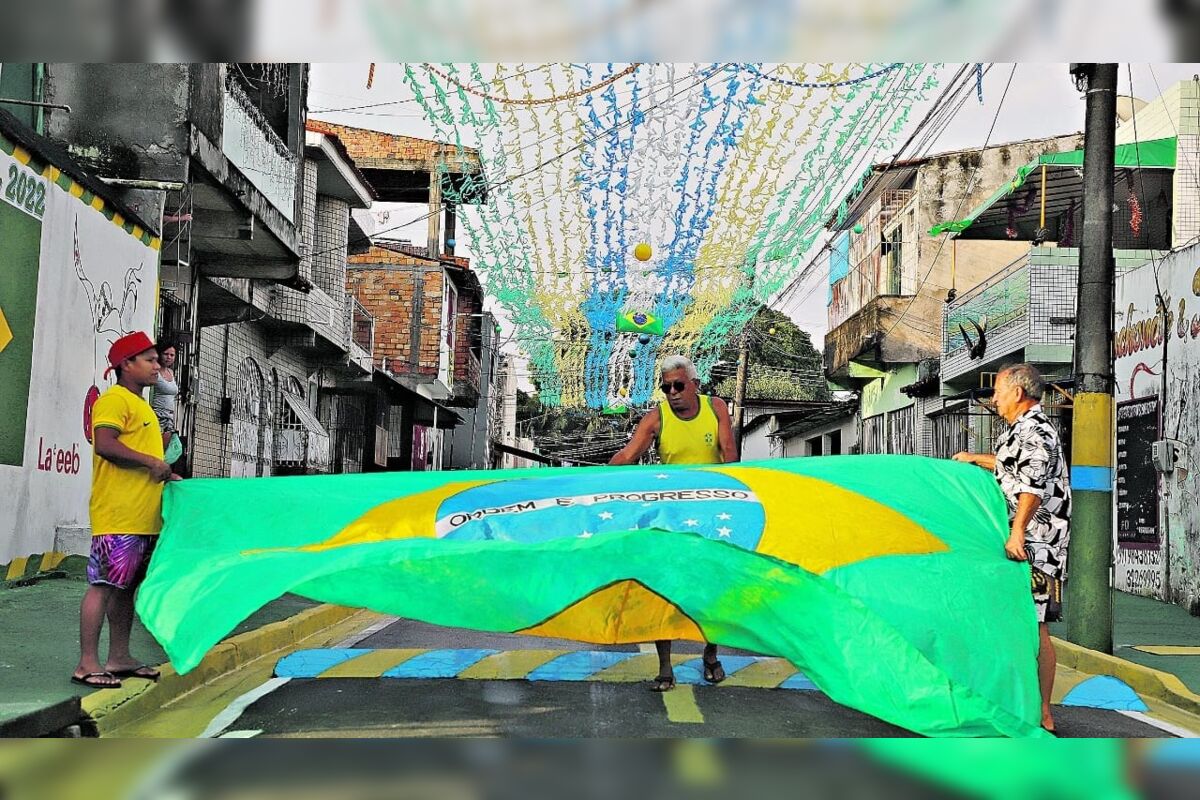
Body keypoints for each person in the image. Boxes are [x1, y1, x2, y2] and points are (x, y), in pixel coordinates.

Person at [953, 363, 1071, 734]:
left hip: (1036, 544)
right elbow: (1014, 470)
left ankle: (1043, 714)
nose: (994, 399)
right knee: (1015, 621)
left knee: (1033, 626)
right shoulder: (1020, 431)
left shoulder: (1036, 431)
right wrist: (978, 459)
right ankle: (1016, 702)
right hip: (1022, 540)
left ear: (1018, 394)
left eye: (998, 392)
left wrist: (1017, 532)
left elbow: (1032, 487)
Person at [609, 354, 738, 692]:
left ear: (694, 384)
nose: (672, 392)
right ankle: (665, 669)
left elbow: (730, 454)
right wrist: (596, 480)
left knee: (710, 592)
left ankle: (710, 657)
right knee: (663, 591)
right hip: (670, 516)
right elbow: (627, 455)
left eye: (679, 385)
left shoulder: (716, 408)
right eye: (666, 387)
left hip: (711, 516)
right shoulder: (657, 417)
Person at [72, 332, 180, 689]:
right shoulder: (115, 400)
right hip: (118, 514)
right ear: (126, 365)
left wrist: (164, 473)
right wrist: (150, 461)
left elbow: (141, 460)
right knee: (102, 585)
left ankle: (118, 657)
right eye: (148, 360)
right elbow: (105, 444)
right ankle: (88, 663)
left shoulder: (140, 405)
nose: (156, 365)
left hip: (141, 515)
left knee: (125, 588)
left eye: (155, 359)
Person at [150, 342, 180, 455]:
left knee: (162, 454)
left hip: (169, 418)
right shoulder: (154, 372)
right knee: (153, 451)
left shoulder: (171, 372)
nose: (168, 357)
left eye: (172, 355)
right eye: (165, 354)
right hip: (156, 416)